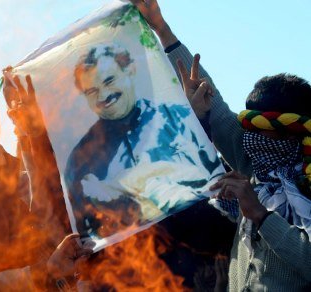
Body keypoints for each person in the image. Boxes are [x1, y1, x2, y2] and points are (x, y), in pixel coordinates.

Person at [131, 0, 311, 290]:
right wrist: (163, 30)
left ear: (292, 134)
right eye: (250, 130)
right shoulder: (251, 163)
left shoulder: (307, 183)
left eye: (266, 132)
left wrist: (261, 216)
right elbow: (214, 104)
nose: (255, 140)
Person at [66, 41, 222, 238]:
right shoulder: (80, 160)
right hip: (144, 263)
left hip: (208, 249)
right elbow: (88, 232)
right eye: (92, 91)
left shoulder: (177, 118)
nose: (103, 95)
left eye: (109, 81)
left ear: (130, 70)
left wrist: (198, 119)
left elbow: (212, 177)